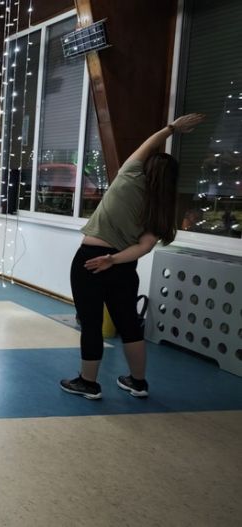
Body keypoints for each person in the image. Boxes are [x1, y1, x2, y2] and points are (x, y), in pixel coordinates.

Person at [60, 113, 205, 400]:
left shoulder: (128, 177)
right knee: (128, 324)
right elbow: (145, 246)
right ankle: (138, 382)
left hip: (91, 260)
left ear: (146, 168)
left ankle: (88, 383)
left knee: (91, 322)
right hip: (124, 266)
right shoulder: (161, 208)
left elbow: (146, 146)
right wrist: (114, 260)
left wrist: (172, 128)